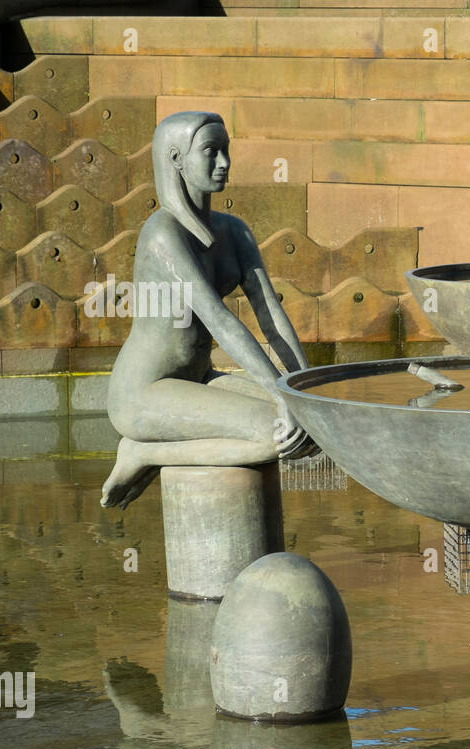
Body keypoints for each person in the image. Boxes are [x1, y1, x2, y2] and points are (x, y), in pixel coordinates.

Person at [101, 111, 317, 509]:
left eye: (226, 151)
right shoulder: (162, 233)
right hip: (142, 393)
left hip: (198, 380)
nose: (224, 163)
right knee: (277, 434)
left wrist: (303, 390)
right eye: (211, 152)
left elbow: (270, 313)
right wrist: (280, 395)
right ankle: (142, 453)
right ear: (176, 159)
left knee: (311, 428)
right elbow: (218, 319)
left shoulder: (234, 231)